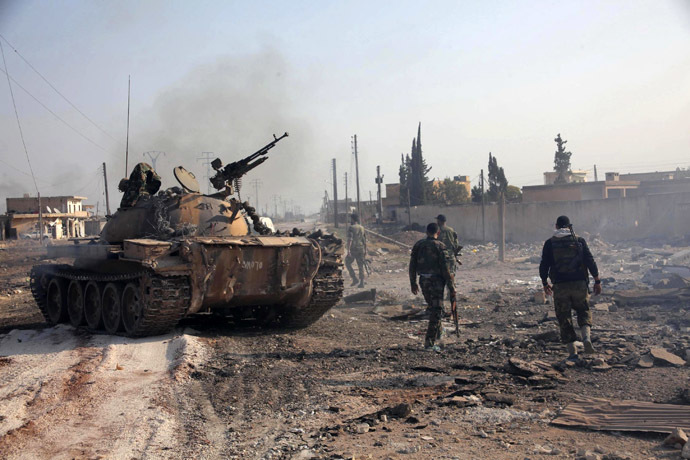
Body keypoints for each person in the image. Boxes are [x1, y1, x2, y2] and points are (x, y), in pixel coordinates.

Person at [539, 215, 601, 359]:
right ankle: (586, 338)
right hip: (580, 284)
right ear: (569, 226)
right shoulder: (579, 241)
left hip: (560, 286)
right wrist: (597, 281)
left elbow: (544, 265)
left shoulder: (550, 243)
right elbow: (590, 260)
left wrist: (544, 283)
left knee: (564, 317)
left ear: (556, 226)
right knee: (583, 310)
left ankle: (573, 352)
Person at [409, 222, 456, 351]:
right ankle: (429, 342)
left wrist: (412, 282)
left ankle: (439, 332)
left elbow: (412, 265)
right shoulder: (440, 246)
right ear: (438, 233)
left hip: (423, 281)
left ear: (426, 232)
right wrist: (451, 287)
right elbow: (446, 269)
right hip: (436, 282)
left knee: (434, 307)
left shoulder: (418, 245)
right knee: (436, 311)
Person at [345, 213, 367, 288]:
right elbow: (364, 240)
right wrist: (365, 250)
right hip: (361, 249)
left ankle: (354, 278)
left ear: (352, 219)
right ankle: (362, 282)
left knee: (347, 262)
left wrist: (348, 251)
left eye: (350, 219)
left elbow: (350, 239)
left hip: (354, 249)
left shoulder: (351, 228)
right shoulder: (362, 228)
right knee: (361, 265)